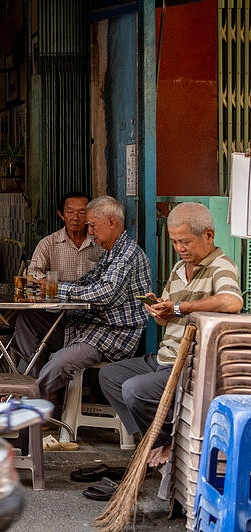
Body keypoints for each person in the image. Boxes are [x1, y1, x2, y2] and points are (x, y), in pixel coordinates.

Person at [99, 202, 242, 472]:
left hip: (187, 362)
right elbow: (169, 318)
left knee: (135, 390)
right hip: (164, 356)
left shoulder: (221, 267)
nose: (180, 248)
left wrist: (180, 307)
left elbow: (232, 301)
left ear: (208, 235)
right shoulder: (179, 269)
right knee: (110, 376)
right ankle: (152, 441)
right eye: (175, 242)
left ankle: (166, 442)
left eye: (185, 241)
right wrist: (160, 311)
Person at [15, 195, 151, 399]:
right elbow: (86, 283)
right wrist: (47, 288)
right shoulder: (110, 253)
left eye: (93, 225)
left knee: (61, 361)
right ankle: (38, 385)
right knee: (29, 320)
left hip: (111, 335)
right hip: (88, 325)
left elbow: (103, 293)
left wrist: (56, 289)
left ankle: (31, 398)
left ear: (111, 222)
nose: (89, 231)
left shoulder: (127, 255)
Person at [27, 192, 104, 282]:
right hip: (58, 295)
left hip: (90, 295)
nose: (75, 217)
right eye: (70, 212)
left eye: (82, 212)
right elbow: (32, 271)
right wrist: (48, 283)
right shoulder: (48, 243)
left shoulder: (100, 242)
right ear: (61, 215)